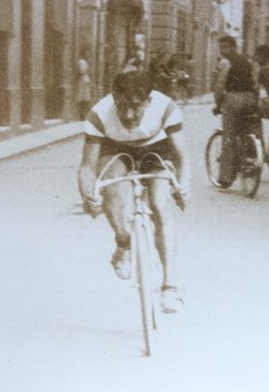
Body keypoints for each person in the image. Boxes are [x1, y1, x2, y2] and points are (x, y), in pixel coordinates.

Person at [77, 71, 190, 312]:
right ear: (113, 98)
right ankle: (123, 242)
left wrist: (182, 186)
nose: (128, 115)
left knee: (160, 204)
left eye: (136, 107)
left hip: (156, 148)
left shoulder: (166, 108)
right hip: (115, 147)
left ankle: (170, 285)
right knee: (111, 189)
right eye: (122, 107)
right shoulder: (98, 115)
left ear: (148, 101)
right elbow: (87, 167)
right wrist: (88, 195)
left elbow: (182, 158)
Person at [212, 35, 260, 188]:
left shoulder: (225, 62)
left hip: (234, 99)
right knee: (246, 132)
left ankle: (225, 177)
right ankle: (250, 162)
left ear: (233, 47)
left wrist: (217, 104)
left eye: (225, 47)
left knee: (229, 137)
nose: (222, 50)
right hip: (250, 98)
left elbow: (220, 85)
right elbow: (255, 82)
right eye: (221, 47)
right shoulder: (248, 61)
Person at [75, 56, 93, 120]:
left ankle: (84, 115)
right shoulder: (82, 62)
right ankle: (83, 115)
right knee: (83, 100)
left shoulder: (84, 62)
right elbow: (82, 71)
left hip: (84, 82)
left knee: (84, 100)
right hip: (83, 82)